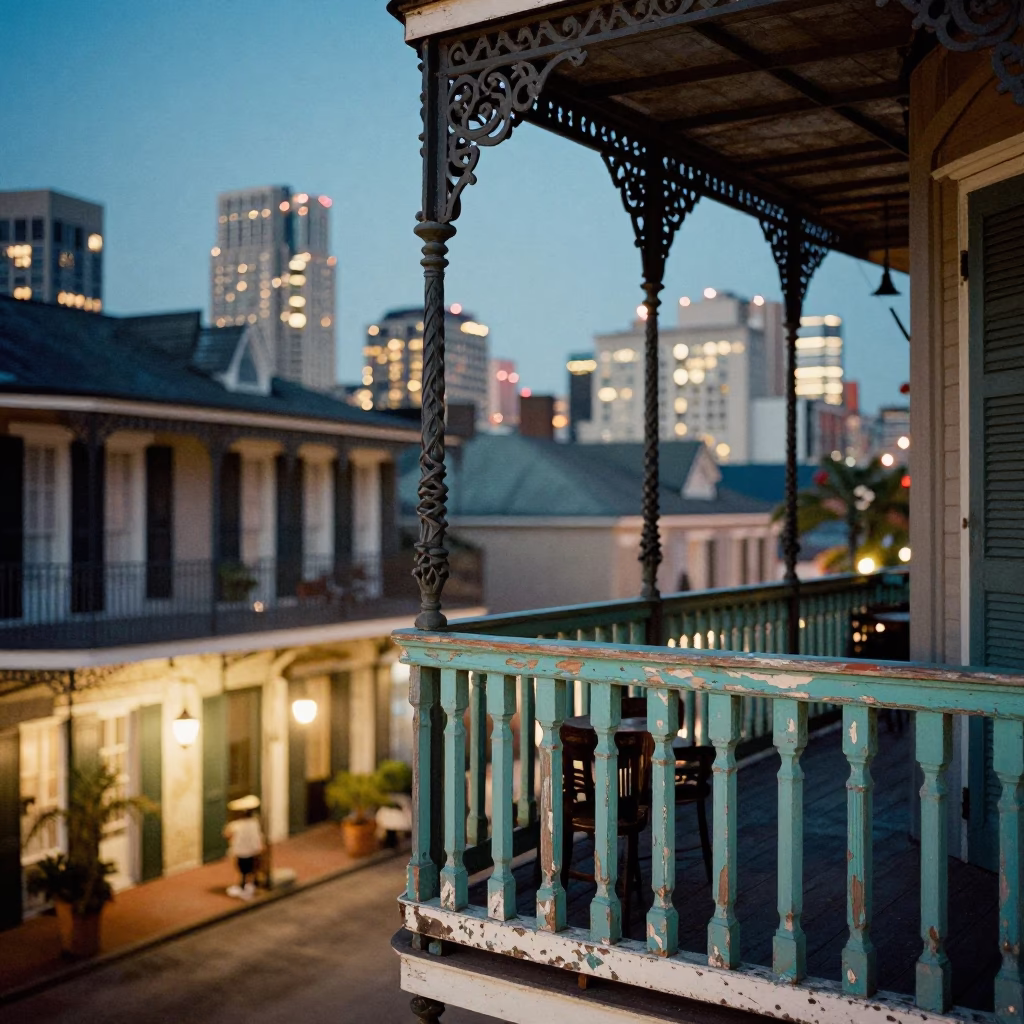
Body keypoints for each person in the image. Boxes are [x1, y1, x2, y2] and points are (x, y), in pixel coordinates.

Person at [223, 795, 264, 899]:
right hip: (253, 849)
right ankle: (252, 883)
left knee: (243, 869)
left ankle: (244, 885)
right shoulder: (255, 822)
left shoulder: (236, 824)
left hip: (242, 851)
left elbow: (227, 834)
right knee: (252, 867)